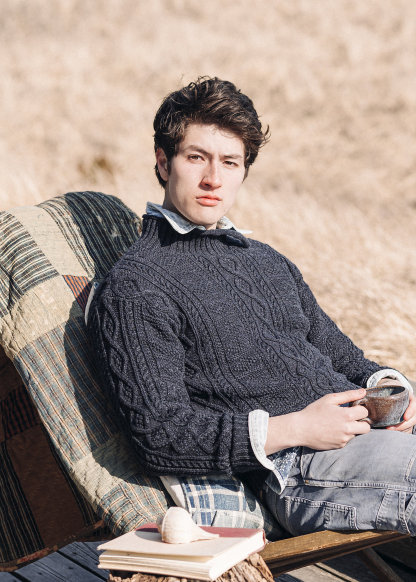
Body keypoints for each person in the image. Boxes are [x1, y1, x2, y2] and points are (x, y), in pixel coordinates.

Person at [88, 76, 416, 538]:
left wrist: (393, 388)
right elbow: (159, 435)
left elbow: (345, 357)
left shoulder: (265, 260)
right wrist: (298, 428)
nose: (213, 179)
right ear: (163, 162)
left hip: (373, 432)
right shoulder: (137, 286)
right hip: (300, 470)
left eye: (230, 162)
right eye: (196, 157)